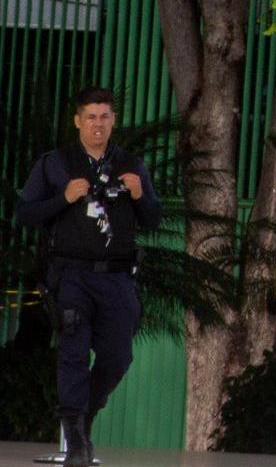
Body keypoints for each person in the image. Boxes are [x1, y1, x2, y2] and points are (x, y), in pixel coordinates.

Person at [13, 87, 160, 467]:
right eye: (91, 117)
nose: (98, 124)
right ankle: (76, 437)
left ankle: (84, 415)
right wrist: (63, 198)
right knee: (73, 354)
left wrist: (140, 194)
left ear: (113, 121)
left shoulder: (130, 165)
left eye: (104, 117)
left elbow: (153, 220)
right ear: (78, 121)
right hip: (71, 276)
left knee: (118, 356)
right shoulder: (55, 164)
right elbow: (24, 213)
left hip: (116, 278)